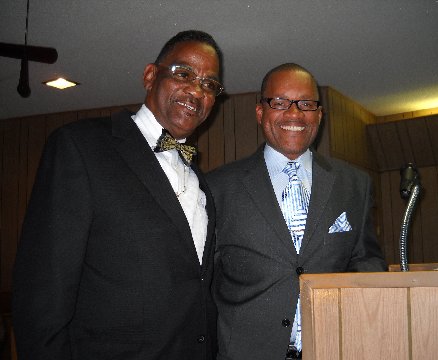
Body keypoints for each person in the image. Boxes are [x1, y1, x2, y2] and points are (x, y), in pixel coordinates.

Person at [12, 30, 223, 360]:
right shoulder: (81, 147)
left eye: (210, 84)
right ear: (150, 76)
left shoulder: (198, 179)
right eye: (184, 73)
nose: (197, 90)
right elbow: (41, 296)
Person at [206, 63, 387, 360]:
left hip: (334, 347)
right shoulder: (217, 187)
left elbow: (368, 260)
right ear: (260, 112)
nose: (294, 114)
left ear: (319, 114)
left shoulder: (355, 184)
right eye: (279, 102)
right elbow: (204, 283)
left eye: (306, 104)